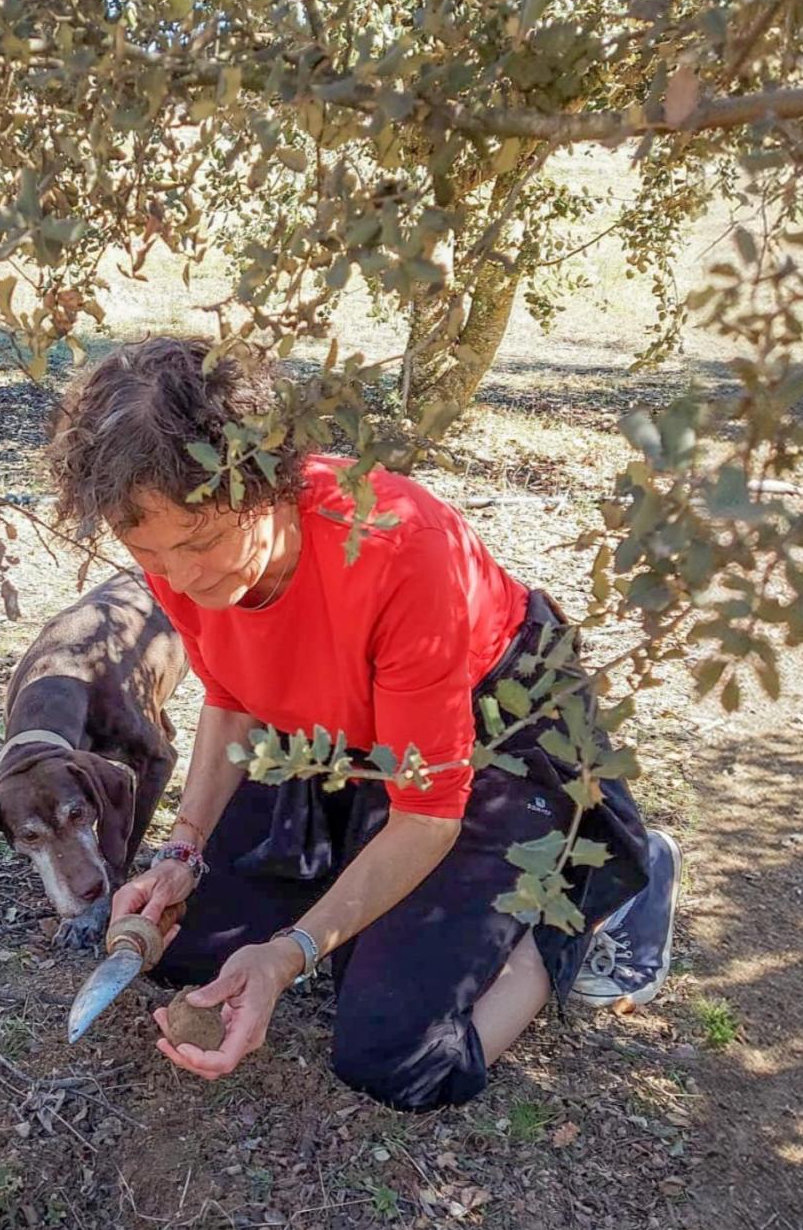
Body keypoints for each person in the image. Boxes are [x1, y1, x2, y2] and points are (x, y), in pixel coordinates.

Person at [49, 337, 681, 1111]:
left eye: (200, 542)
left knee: (394, 1054)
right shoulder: (183, 547)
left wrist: (291, 953)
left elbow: (427, 817)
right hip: (336, 736)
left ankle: (595, 887)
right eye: (150, 553)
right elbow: (232, 699)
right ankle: (360, 873)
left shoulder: (400, 549)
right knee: (190, 952)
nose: (181, 578)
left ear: (266, 482)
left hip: (492, 737)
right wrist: (184, 851)